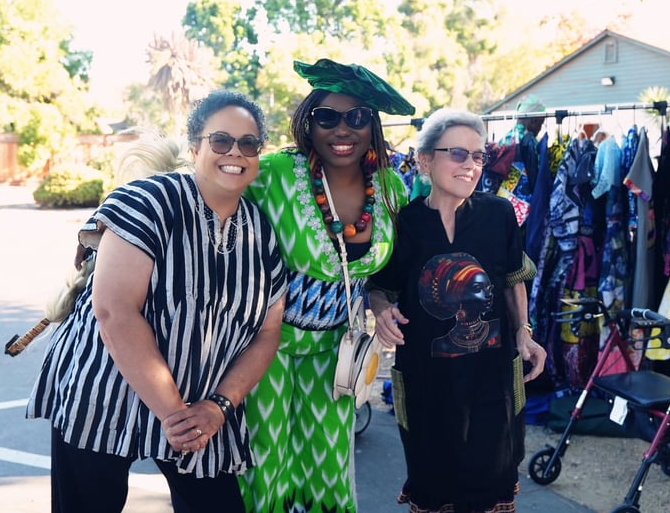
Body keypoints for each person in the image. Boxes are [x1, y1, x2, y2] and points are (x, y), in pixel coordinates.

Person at [26, 90, 288, 513]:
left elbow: (267, 332)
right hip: (105, 395)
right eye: (221, 140)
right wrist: (175, 415)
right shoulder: (146, 202)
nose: (235, 152)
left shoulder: (261, 232)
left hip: (201, 407)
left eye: (248, 143)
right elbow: (114, 312)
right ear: (195, 147)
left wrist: (218, 407)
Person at [238, 58, 415, 513]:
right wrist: (114, 225)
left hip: (338, 347)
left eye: (357, 117)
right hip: (266, 345)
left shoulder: (391, 188)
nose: (343, 129)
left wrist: (380, 303)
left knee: (328, 460)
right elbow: (203, 196)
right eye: (327, 117)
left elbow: (383, 275)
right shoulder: (274, 174)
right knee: (264, 458)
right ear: (308, 122)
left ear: (372, 125)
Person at [366, 108, 546, 513]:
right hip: (427, 380)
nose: (471, 165)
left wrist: (524, 331)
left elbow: (512, 277)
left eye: (479, 156)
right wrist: (381, 310)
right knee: (433, 482)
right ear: (425, 161)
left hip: (492, 379)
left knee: (491, 480)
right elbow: (380, 287)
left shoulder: (499, 214)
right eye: (459, 154)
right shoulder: (403, 224)